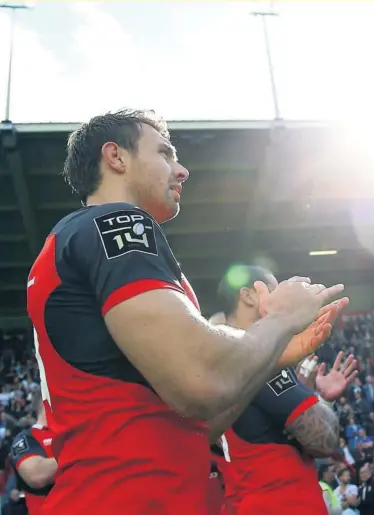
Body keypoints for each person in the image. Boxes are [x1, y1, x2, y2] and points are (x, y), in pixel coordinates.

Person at [27, 109, 348, 515]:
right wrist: (282, 318)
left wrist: (271, 356)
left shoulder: (81, 239)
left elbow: (200, 423)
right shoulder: (117, 221)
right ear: (116, 158)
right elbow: (201, 383)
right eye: (164, 154)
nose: (181, 171)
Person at [214, 266, 357, 515]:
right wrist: (313, 397)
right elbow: (323, 440)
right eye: (274, 289)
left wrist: (315, 396)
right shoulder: (258, 358)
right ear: (248, 296)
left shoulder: (222, 357)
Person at [10, 391, 56, 515]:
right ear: (45, 401)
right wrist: (83, 453)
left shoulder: (75, 434)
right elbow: (36, 474)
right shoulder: (26, 438)